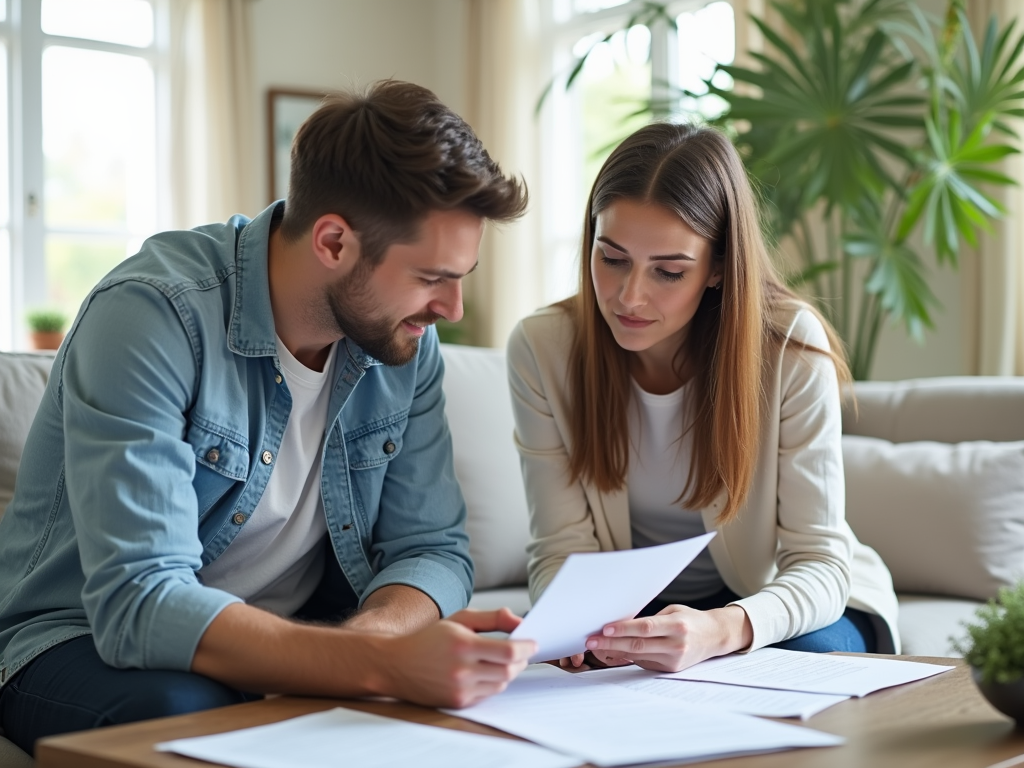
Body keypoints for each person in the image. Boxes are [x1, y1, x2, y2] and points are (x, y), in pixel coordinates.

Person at [0, 80, 536, 754]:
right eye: (432, 277)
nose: (452, 310)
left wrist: (370, 641)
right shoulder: (151, 316)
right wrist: (375, 667)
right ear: (334, 242)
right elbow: (141, 601)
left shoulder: (403, 347)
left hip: (296, 632)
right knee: (191, 710)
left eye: (463, 276)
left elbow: (431, 549)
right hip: (72, 639)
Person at [507, 122, 900, 673]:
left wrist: (721, 628)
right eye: (612, 258)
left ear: (717, 267)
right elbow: (559, 548)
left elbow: (818, 563)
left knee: (787, 671)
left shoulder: (788, 346)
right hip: (642, 615)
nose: (629, 297)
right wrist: (574, 623)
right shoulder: (543, 348)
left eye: (668, 271)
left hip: (779, 604)